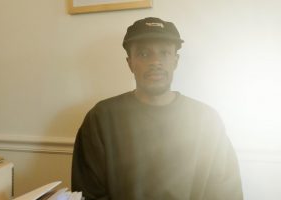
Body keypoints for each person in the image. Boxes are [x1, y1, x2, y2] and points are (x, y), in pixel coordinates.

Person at [71, 17, 243, 200]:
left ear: (175, 61)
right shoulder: (101, 118)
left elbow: (225, 191)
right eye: (144, 54)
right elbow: (88, 193)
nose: (155, 62)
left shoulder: (206, 120)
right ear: (130, 63)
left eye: (164, 53)